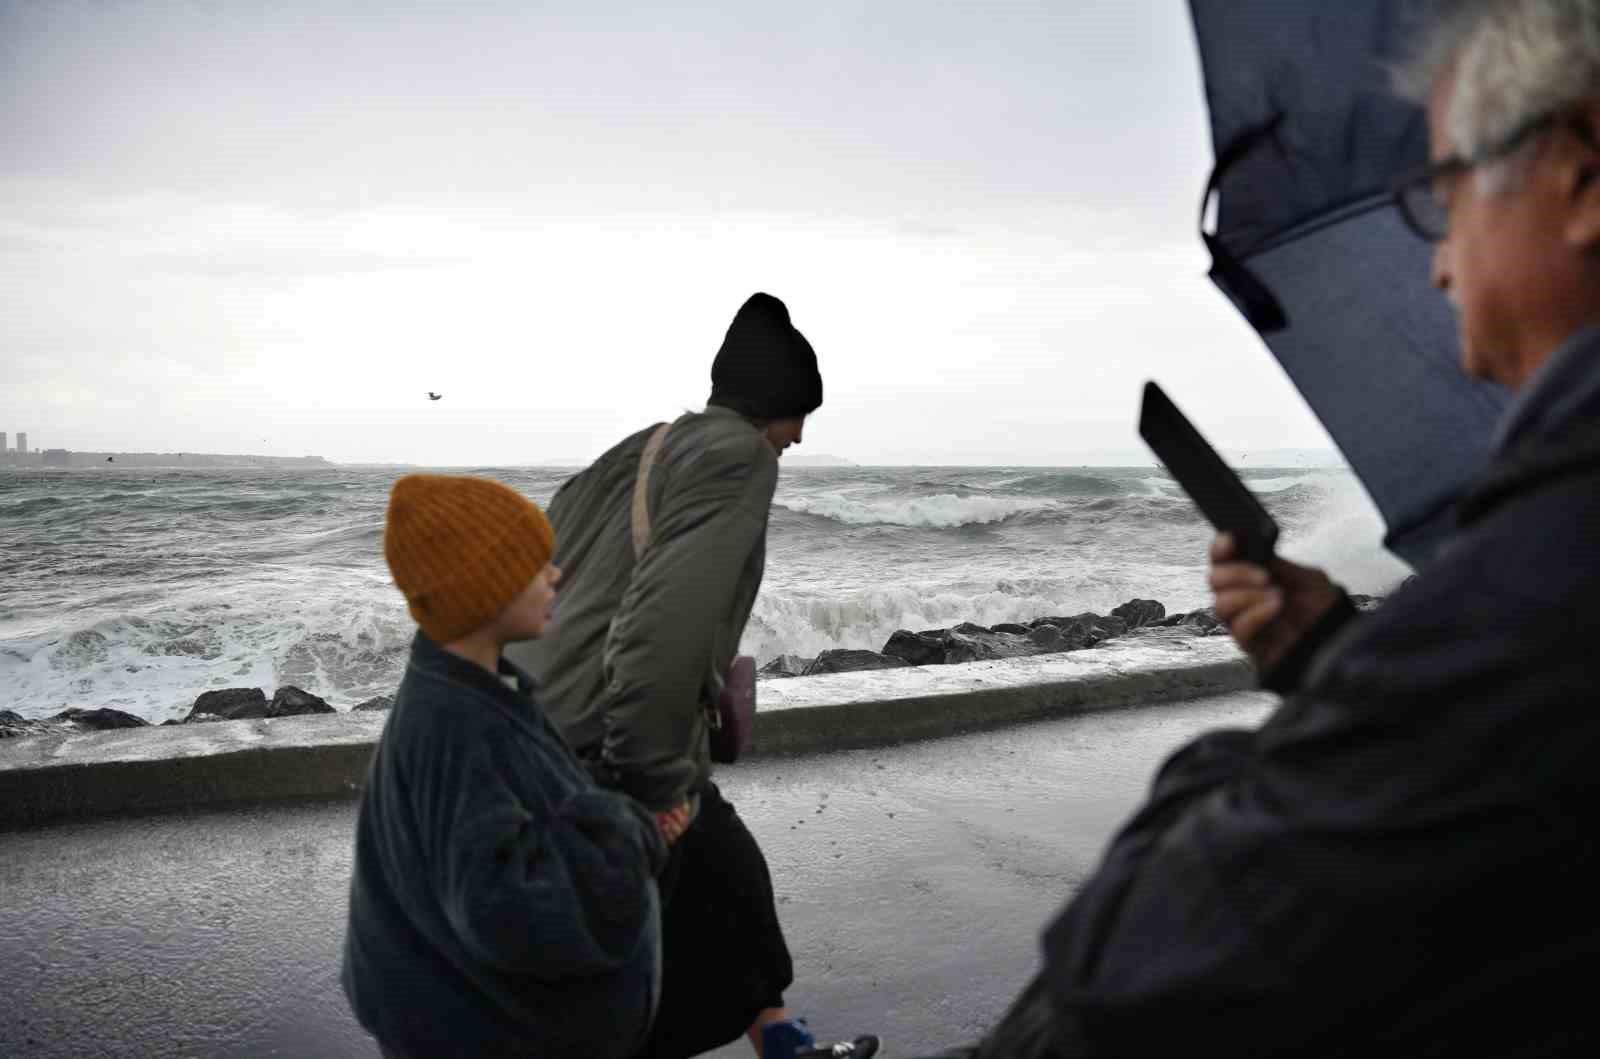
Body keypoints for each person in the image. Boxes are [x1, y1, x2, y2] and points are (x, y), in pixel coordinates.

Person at [912, 1, 1600, 1054]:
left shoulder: (1557, 557)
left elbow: (1133, 964)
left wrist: (1251, 755)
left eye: (1439, 194)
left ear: (1580, 171)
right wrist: (1333, 654)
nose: (1436, 266)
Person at [507, 293, 876, 1059]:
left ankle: (784, 1043)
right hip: (606, 749)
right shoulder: (737, 457)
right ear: (768, 409)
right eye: (797, 415)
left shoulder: (630, 455)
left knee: (728, 873)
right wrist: (656, 785)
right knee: (630, 979)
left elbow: (533, 590)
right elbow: (657, 635)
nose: (801, 435)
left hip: (531, 734)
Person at [341, 474, 667, 1059]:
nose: (556, 575)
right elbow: (509, 912)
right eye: (536, 564)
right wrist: (627, 828)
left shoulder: (476, 690)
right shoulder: (457, 727)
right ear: (484, 589)